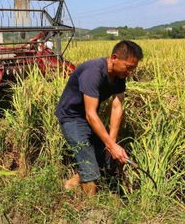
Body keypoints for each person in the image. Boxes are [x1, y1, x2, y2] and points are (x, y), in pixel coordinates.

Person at [55, 40, 143, 196]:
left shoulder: (119, 75)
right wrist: (110, 144)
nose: (130, 72)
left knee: (102, 155)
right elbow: (91, 113)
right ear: (114, 57)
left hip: (87, 116)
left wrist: (112, 143)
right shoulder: (93, 71)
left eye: (133, 69)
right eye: (128, 67)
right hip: (72, 117)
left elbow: (117, 106)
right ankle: (92, 210)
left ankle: (69, 185)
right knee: (89, 166)